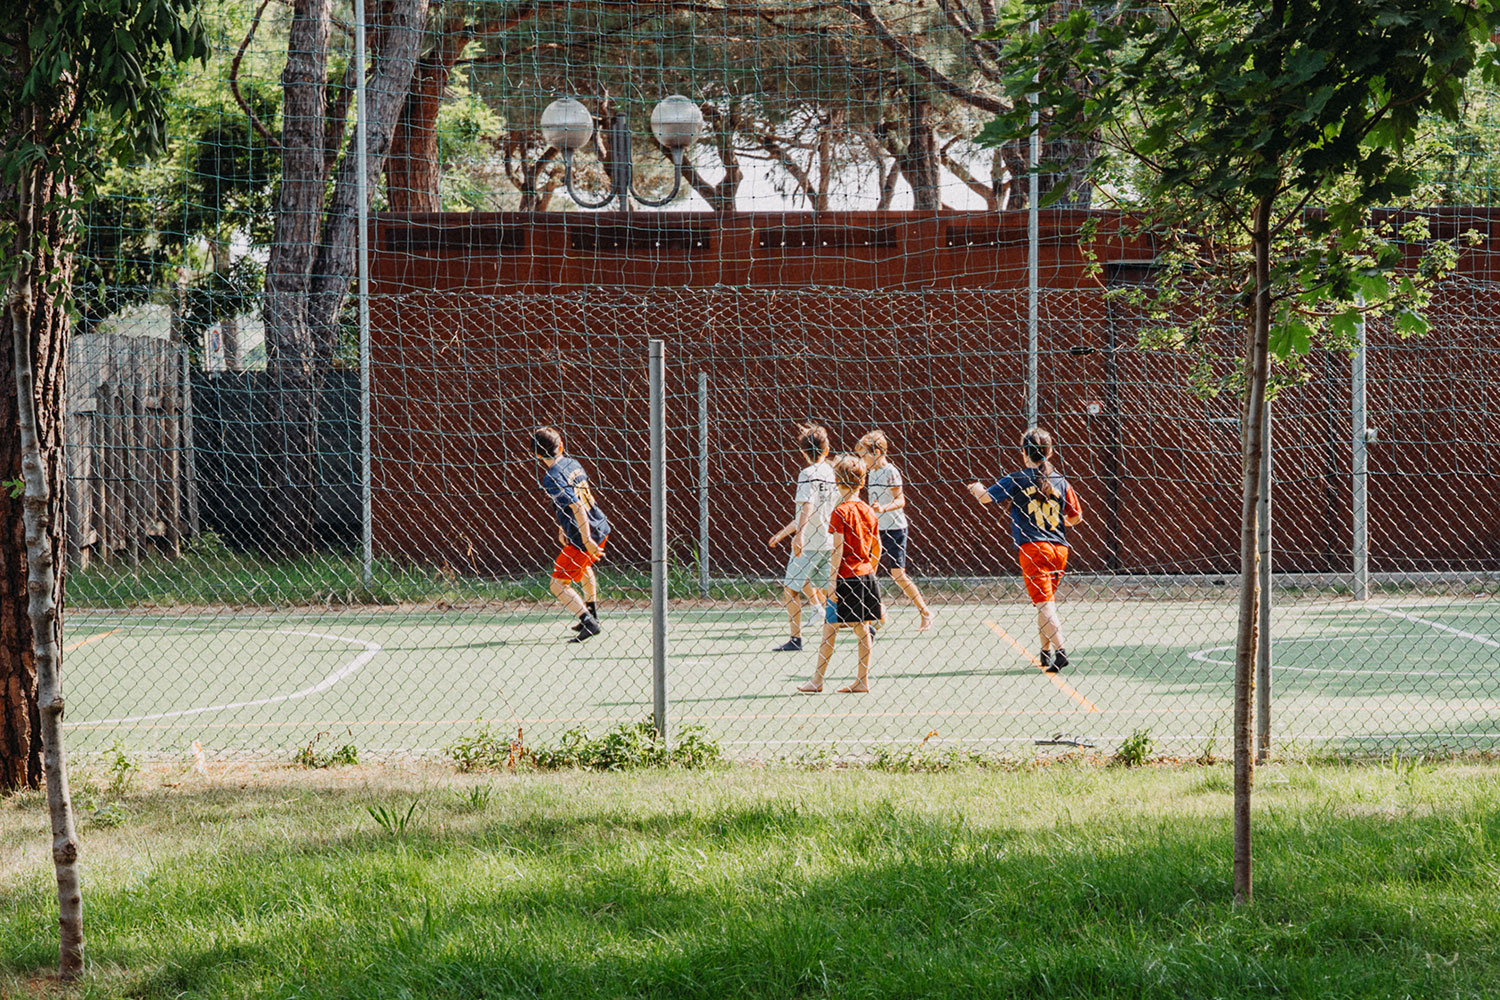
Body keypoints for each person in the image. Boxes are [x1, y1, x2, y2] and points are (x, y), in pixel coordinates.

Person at [966, 427, 1084, 672]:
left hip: (1034, 548)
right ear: (1049, 452)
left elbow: (986, 497)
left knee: (1045, 605)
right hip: (1059, 549)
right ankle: (1045, 651)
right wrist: (1055, 521)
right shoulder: (1060, 481)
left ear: (1023, 453)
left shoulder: (1017, 479)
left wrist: (976, 488)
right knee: (1045, 602)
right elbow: (1076, 517)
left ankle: (1061, 651)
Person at [798, 454, 883, 693]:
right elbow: (877, 546)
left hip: (845, 577)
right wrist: (870, 570)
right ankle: (862, 680)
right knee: (862, 629)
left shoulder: (840, 512)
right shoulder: (868, 510)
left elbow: (838, 549)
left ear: (837, 481)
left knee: (830, 628)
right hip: (866, 575)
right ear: (862, 482)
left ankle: (817, 681)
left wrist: (832, 582)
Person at [532, 426, 611, 643]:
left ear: (537, 455)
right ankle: (592, 612)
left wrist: (586, 540)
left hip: (584, 535)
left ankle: (589, 622)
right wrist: (563, 527)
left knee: (557, 585)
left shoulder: (551, 478)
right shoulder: (572, 463)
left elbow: (576, 506)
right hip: (599, 524)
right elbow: (569, 502)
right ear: (561, 446)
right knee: (584, 568)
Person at [767, 423, 839, 651]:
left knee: (790, 589)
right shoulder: (832, 473)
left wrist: (799, 536)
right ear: (827, 449)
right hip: (828, 541)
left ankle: (796, 639)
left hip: (809, 544)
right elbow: (813, 512)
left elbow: (807, 507)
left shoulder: (807, 474)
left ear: (803, 452)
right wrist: (782, 533)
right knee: (833, 589)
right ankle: (865, 624)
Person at [856, 430, 934, 632]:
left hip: (895, 529)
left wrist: (883, 508)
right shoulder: (871, 472)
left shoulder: (890, 472)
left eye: (864, 456)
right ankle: (872, 614)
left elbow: (901, 500)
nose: (862, 461)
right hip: (876, 529)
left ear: (876, 453)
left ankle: (925, 612)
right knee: (868, 572)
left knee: (898, 574)